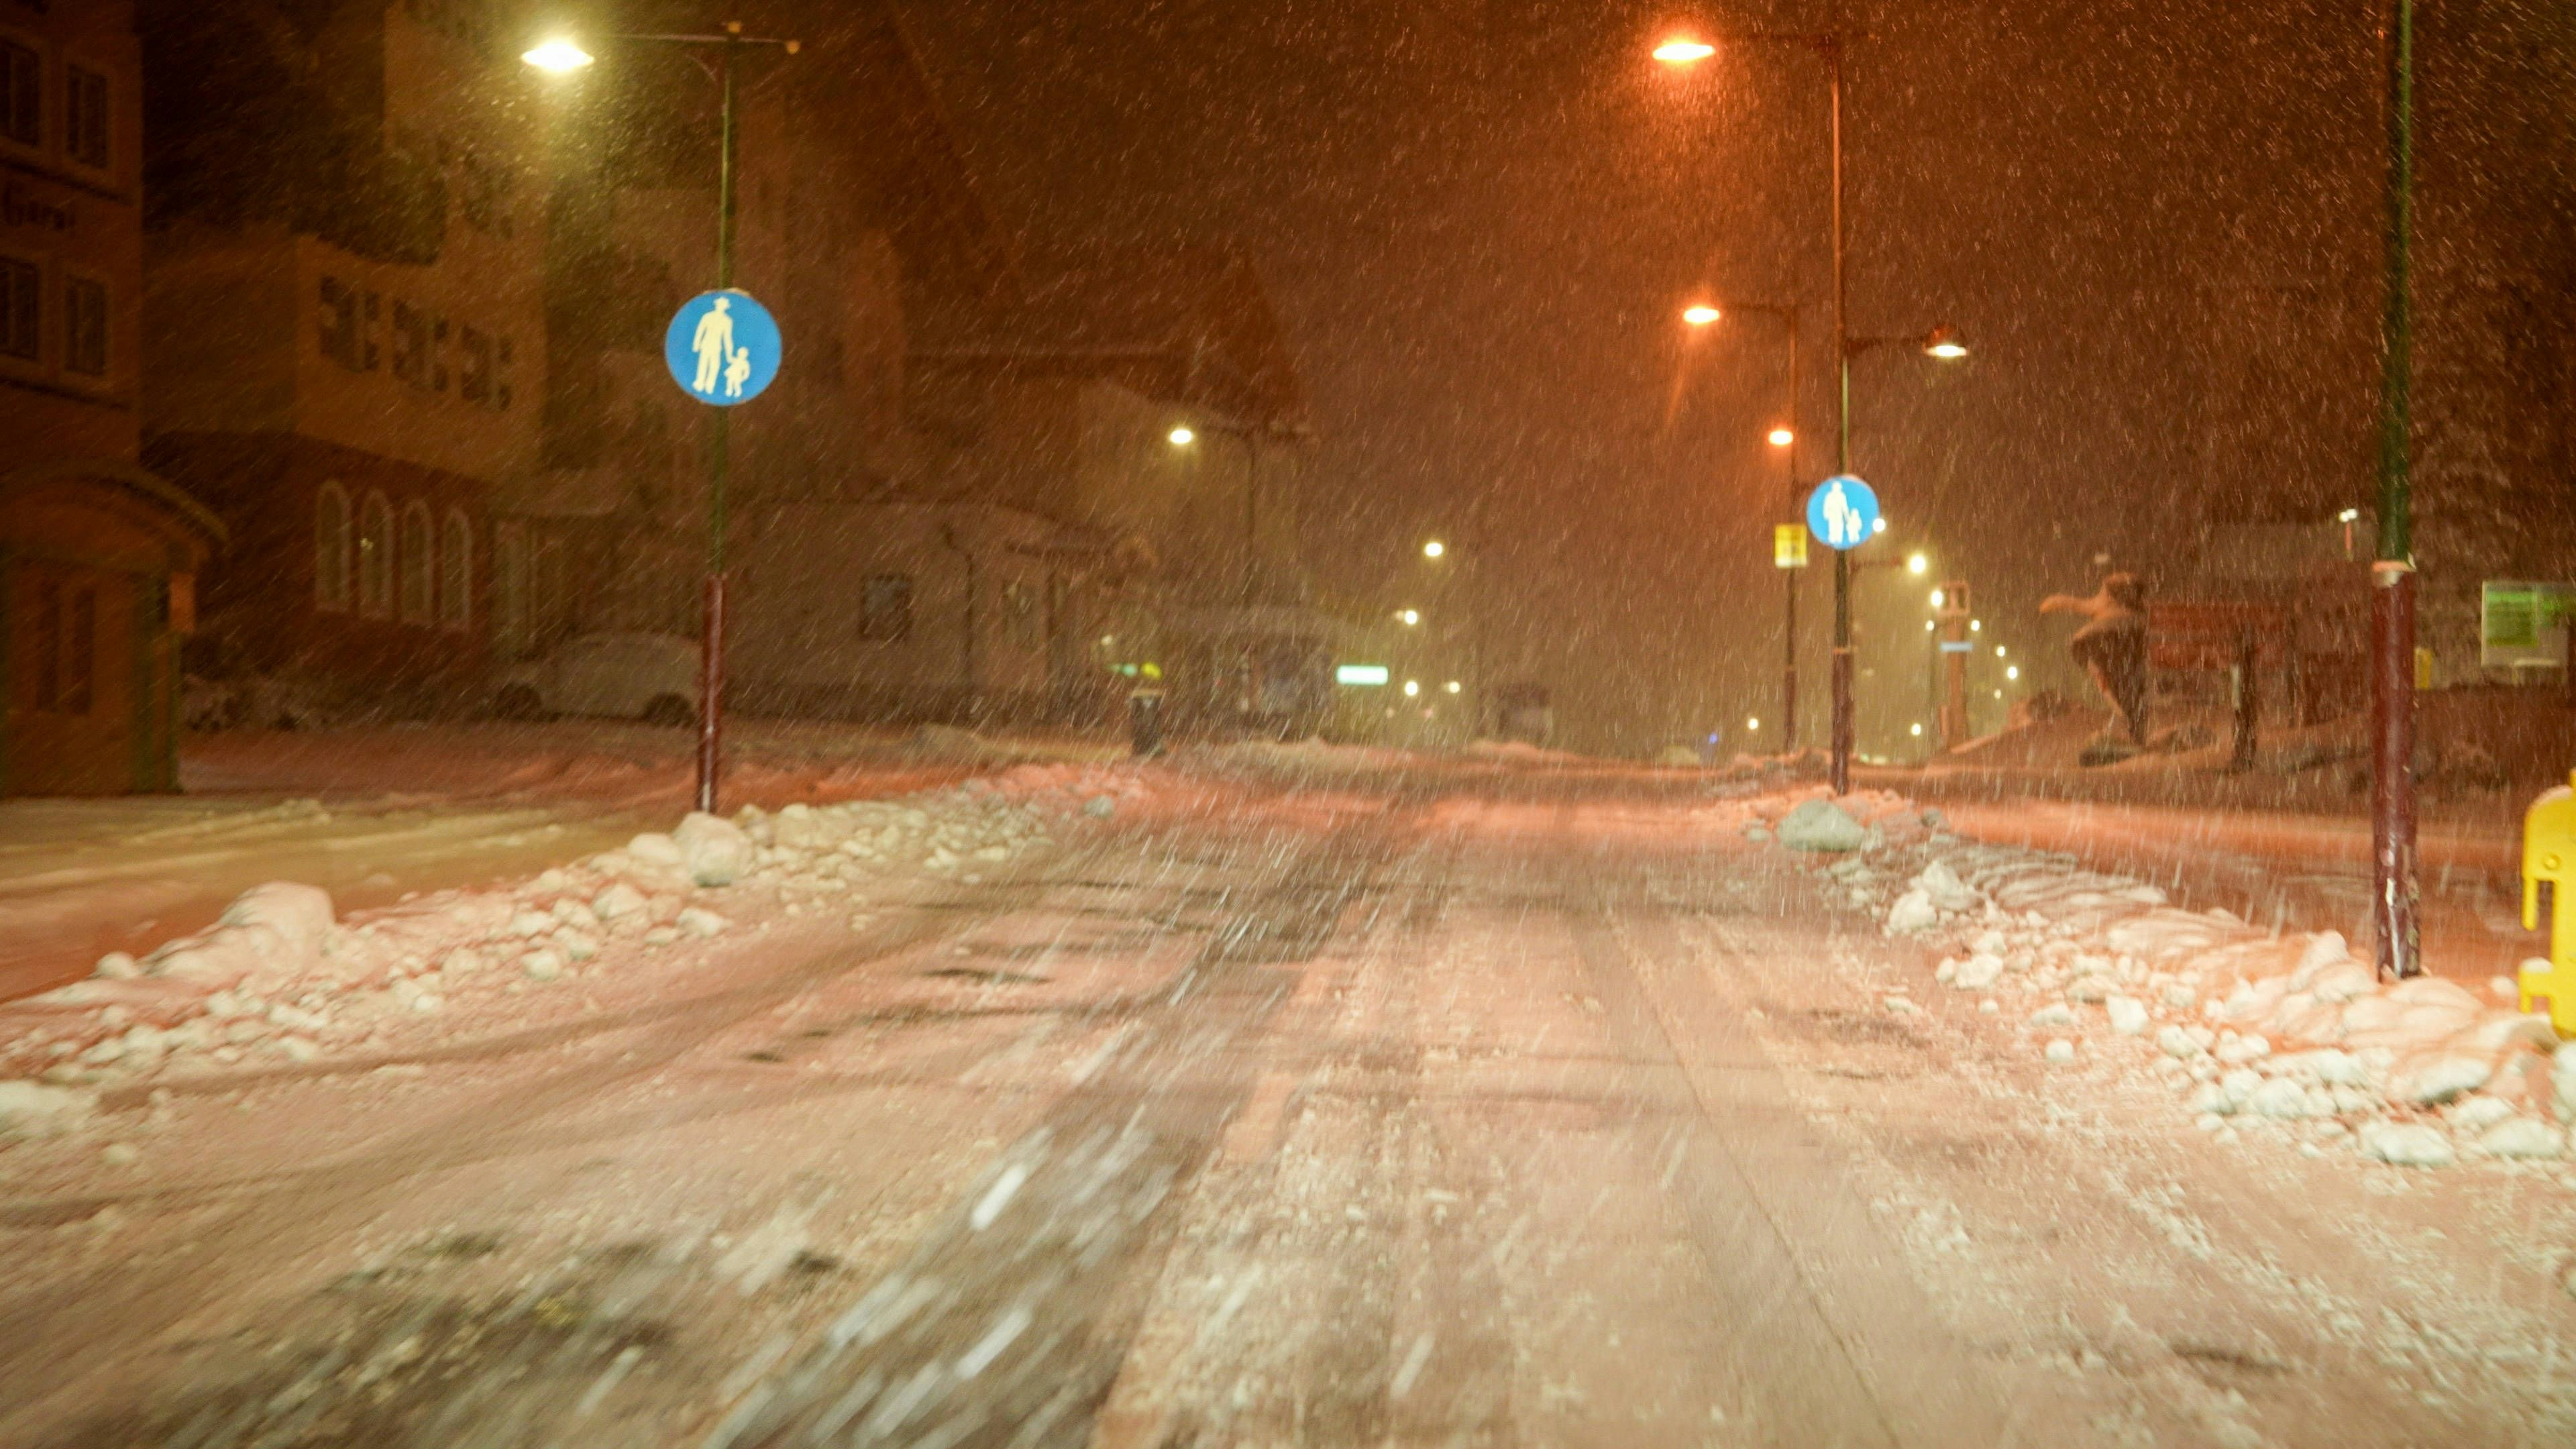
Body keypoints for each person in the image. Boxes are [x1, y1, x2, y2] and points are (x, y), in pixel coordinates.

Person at [2040, 572, 2151, 747]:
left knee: (2123, 685)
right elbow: (2085, 606)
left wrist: (2059, 602)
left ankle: (2130, 725)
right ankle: (2132, 727)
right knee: (2126, 686)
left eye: (2104, 593)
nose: (2100, 598)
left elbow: (2084, 607)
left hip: (2106, 644)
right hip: (2115, 649)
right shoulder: (2133, 622)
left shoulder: (2111, 627)